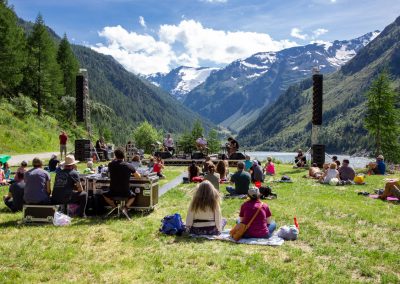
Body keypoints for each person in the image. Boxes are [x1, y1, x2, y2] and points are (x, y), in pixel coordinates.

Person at [103, 148, 141, 216]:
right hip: (125, 193)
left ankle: (114, 207)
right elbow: (138, 177)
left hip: (113, 192)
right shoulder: (129, 166)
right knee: (133, 196)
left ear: (115, 156)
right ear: (124, 155)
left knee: (104, 194)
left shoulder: (110, 165)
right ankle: (125, 208)